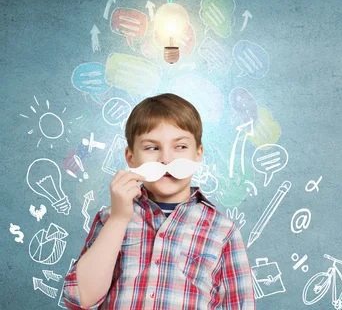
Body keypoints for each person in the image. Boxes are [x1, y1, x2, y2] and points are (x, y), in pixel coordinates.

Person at [62, 93, 255, 309]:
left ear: (198, 154)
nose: (166, 159)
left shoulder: (222, 230)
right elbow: (79, 299)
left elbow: (240, 304)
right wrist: (118, 219)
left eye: (180, 147)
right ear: (131, 157)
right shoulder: (109, 218)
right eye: (151, 148)